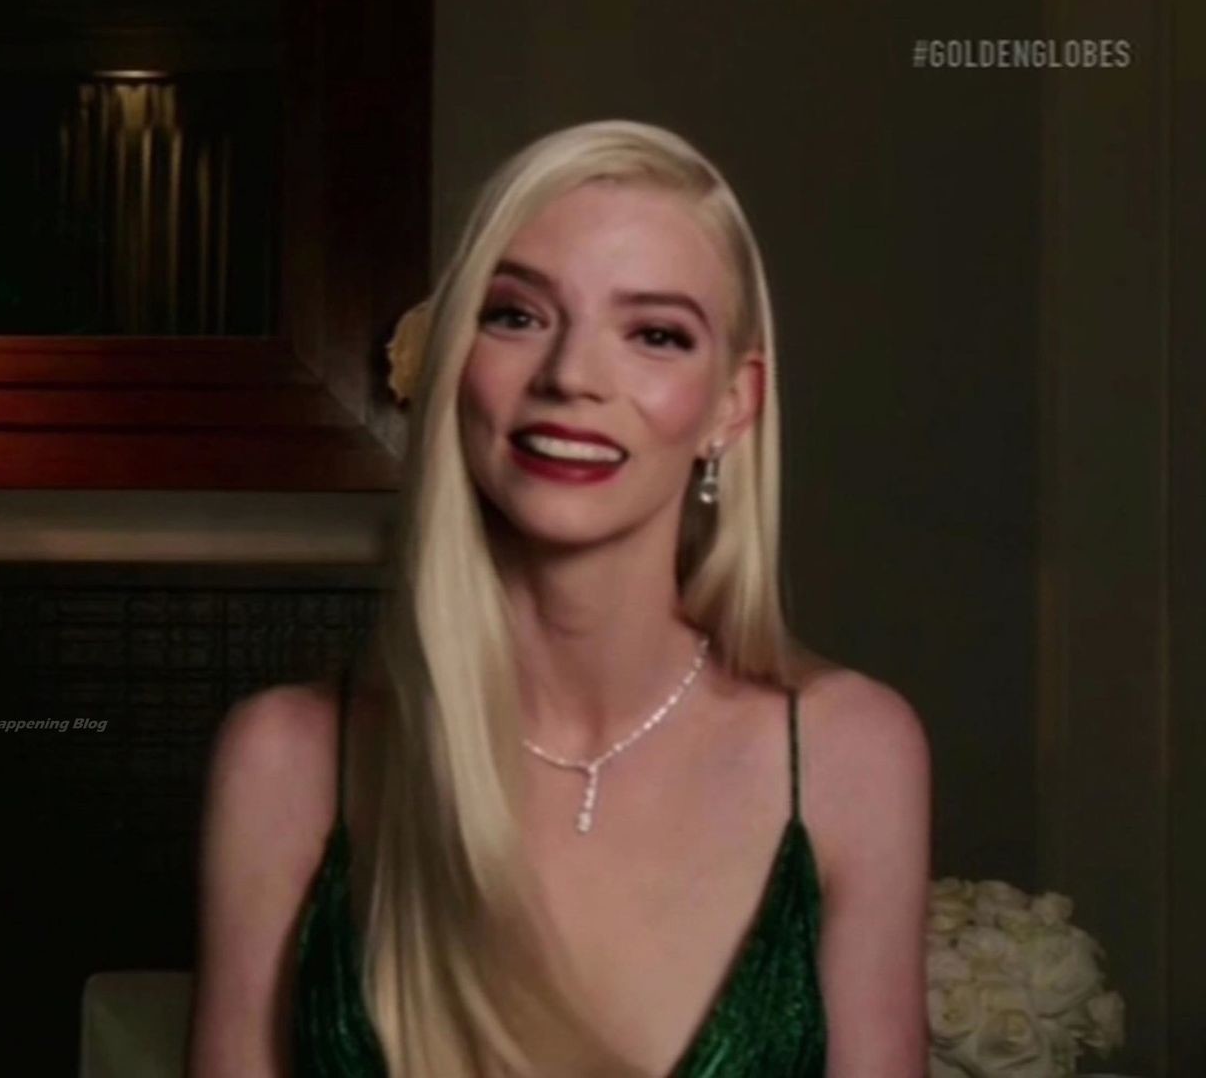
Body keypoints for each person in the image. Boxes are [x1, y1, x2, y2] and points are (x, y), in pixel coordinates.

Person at [186, 120, 932, 1078]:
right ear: (457, 360)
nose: (571, 377)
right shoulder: (287, 761)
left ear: (732, 405)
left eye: (655, 335)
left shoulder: (848, 755)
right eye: (517, 316)